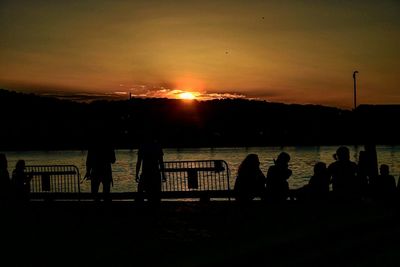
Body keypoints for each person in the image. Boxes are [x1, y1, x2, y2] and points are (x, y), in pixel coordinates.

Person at [135, 136, 165, 204]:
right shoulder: (158, 146)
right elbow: (161, 162)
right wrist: (163, 174)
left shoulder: (142, 146)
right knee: (155, 195)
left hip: (146, 173)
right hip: (155, 173)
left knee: (142, 192)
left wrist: (136, 174)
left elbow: (139, 162)